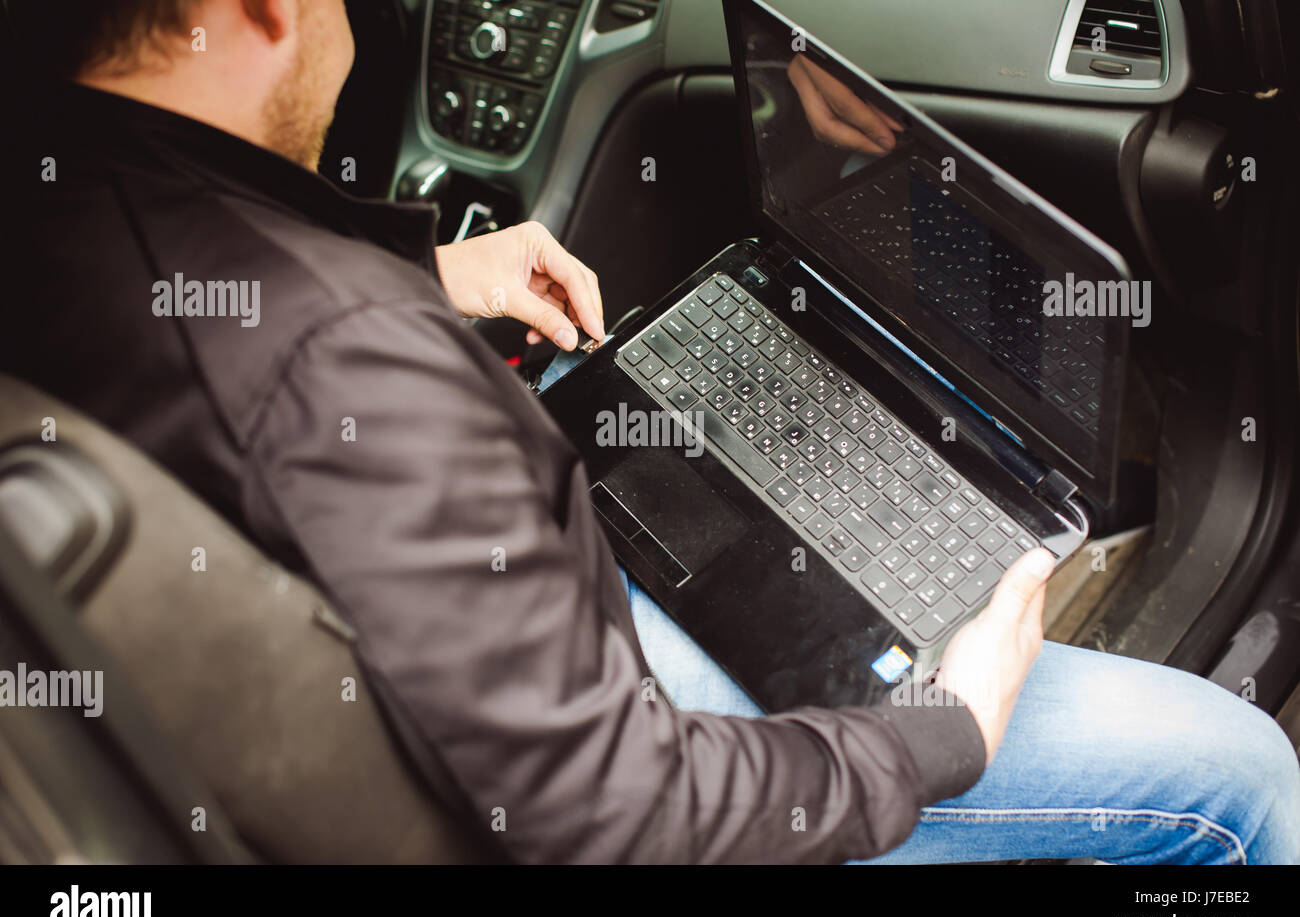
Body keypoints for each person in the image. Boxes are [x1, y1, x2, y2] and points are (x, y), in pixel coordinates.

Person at [2, 0, 1296, 864]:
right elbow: (614, 814)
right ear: (256, 10)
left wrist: (427, 276)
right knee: (1234, 771)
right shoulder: (344, 356)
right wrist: (947, 726)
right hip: (605, 750)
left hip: (446, 645)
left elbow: (237, 316)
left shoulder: (56, 203)